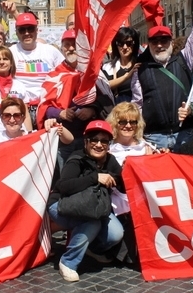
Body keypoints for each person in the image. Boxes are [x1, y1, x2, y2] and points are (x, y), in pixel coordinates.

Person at [131, 0, 193, 150]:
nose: (159, 45)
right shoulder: (140, 69)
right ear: (149, 43)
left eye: (164, 41)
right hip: (154, 138)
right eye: (155, 41)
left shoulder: (184, 59)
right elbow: (137, 104)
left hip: (185, 134)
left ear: (171, 42)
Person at [47, 120, 124, 282]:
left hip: (93, 207)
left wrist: (130, 169)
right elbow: (64, 186)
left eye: (104, 141)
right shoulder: (77, 158)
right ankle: (68, 262)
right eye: (94, 140)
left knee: (116, 234)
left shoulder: (110, 161)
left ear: (109, 145)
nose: (98, 144)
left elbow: (123, 186)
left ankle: (90, 247)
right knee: (92, 222)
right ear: (86, 142)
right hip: (61, 204)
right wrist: (95, 177)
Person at [38, 30, 114, 168]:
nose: (71, 48)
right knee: (66, 178)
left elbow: (107, 100)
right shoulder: (54, 74)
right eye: (67, 45)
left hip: (91, 141)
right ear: (61, 48)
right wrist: (59, 113)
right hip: (63, 140)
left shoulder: (94, 72)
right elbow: (44, 108)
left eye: (75, 44)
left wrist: (92, 109)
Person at [106, 102, 153, 266]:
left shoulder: (147, 148)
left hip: (141, 203)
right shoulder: (107, 149)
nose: (128, 126)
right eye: (123, 122)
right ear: (115, 124)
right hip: (115, 202)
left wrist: (154, 161)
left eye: (132, 122)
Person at [0, 97, 73, 147]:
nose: (12, 120)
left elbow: (69, 140)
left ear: (23, 118)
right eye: (7, 116)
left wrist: (56, 126)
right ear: (1, 118)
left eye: (17, 115)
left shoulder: (34, 136)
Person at [101, 28, 141, 104]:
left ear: (134, 44)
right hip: (118, 111)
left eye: (129, 43)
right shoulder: (108, 67)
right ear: (116, 44)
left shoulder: (141, 63)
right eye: (121, 43)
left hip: (138, 110)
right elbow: (105, 85)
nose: (125, 47)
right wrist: (126, 76)